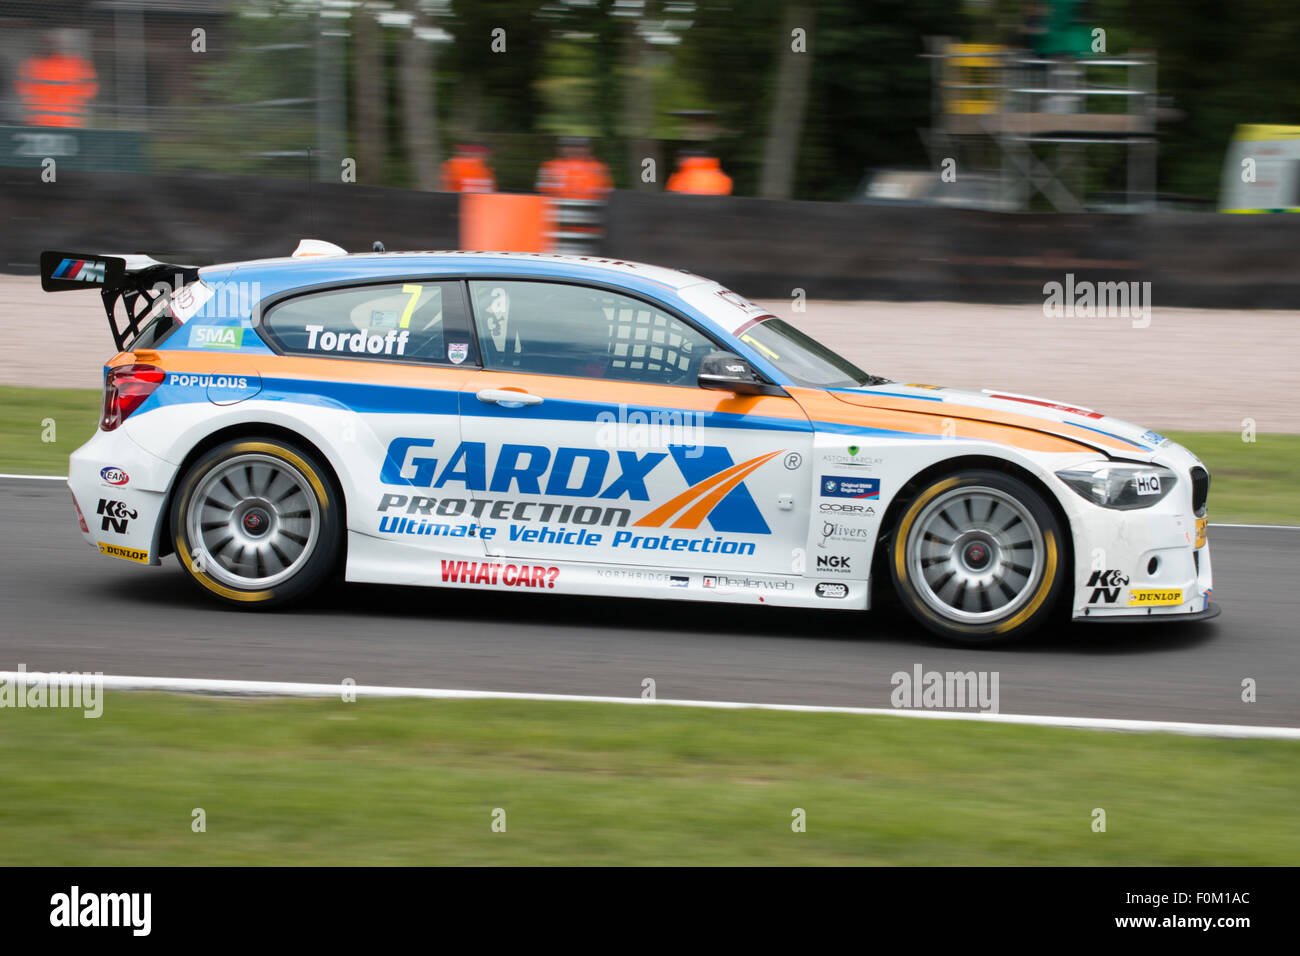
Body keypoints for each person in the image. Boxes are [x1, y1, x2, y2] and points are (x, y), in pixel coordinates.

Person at [16, 32, 98, 128]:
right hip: (40, 121)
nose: (53, 46)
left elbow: (89, 88)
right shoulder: (32, 64)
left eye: (56, 43)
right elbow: (23, 88)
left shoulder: (77, 64)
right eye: (49, 43)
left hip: (67, 122)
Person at [535, 136, 613, 201]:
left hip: (591, 211)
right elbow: (542, 193)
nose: (574, 149)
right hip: (557, 211)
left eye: (579, 146)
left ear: (588, 149)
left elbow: (607, 194)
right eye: (569, 146)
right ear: (560, 149)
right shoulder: (550, 166)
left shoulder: (599, 168)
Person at [665, 150, 733, 195]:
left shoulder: (684, 177)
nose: (677, 162)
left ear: (686, 159)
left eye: (679, 159)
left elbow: (673, 199)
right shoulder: (722, 177)